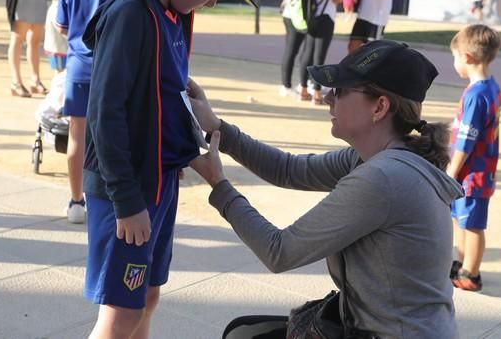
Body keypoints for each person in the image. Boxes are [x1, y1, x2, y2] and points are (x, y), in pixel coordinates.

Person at [188, 39, 462, 338]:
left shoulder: (384, 177)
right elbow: (288, 169)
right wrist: (217, 128)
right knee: (245, 333)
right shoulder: (377, 156)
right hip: (373, 328)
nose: (328, 99)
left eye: (341, 90)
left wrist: (220, 185)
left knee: (244, 335)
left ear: (380, 107)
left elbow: (279, 252)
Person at [81, 0, 255, 339]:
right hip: (127, 189)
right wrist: (126, 200)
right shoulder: (129, 12)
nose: (212, 1)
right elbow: (105, 112)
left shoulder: (174, 11)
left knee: (148, 296)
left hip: (158, 185)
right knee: (120, 313)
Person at [55, 0, 125, 224]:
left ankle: (75, 200)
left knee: (76, 136)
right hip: (110, 70)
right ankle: (113, 198)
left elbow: (62, 26)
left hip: (78, 70)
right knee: (113, 135)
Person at [447, 24, 501, 292]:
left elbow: (466, 139)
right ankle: (461, 263)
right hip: (476, 171)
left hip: (472, 173)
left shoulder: (477, 95)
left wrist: (451, 171)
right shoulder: (490, 87)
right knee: (462, 219)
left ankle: (472, 272)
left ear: (467, 58)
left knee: (473, 225)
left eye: (455, 57)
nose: (455, 63)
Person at [298, 0, 343, 105]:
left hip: (311, 16)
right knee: (319, 56)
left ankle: (303, 89)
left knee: (307, 53)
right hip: (325, 17)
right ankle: (317, 92)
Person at [278, 0, 309, 98]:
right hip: (297, 16)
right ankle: (286, 85)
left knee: (290, 50)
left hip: (288, 14)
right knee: (292, 51)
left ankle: (286, 84)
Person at [44, 0, 67, 74]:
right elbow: (60, 28)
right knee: (60, 74)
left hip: (61, 48)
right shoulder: (56, 8)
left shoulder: (59, 7)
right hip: (57, 49)